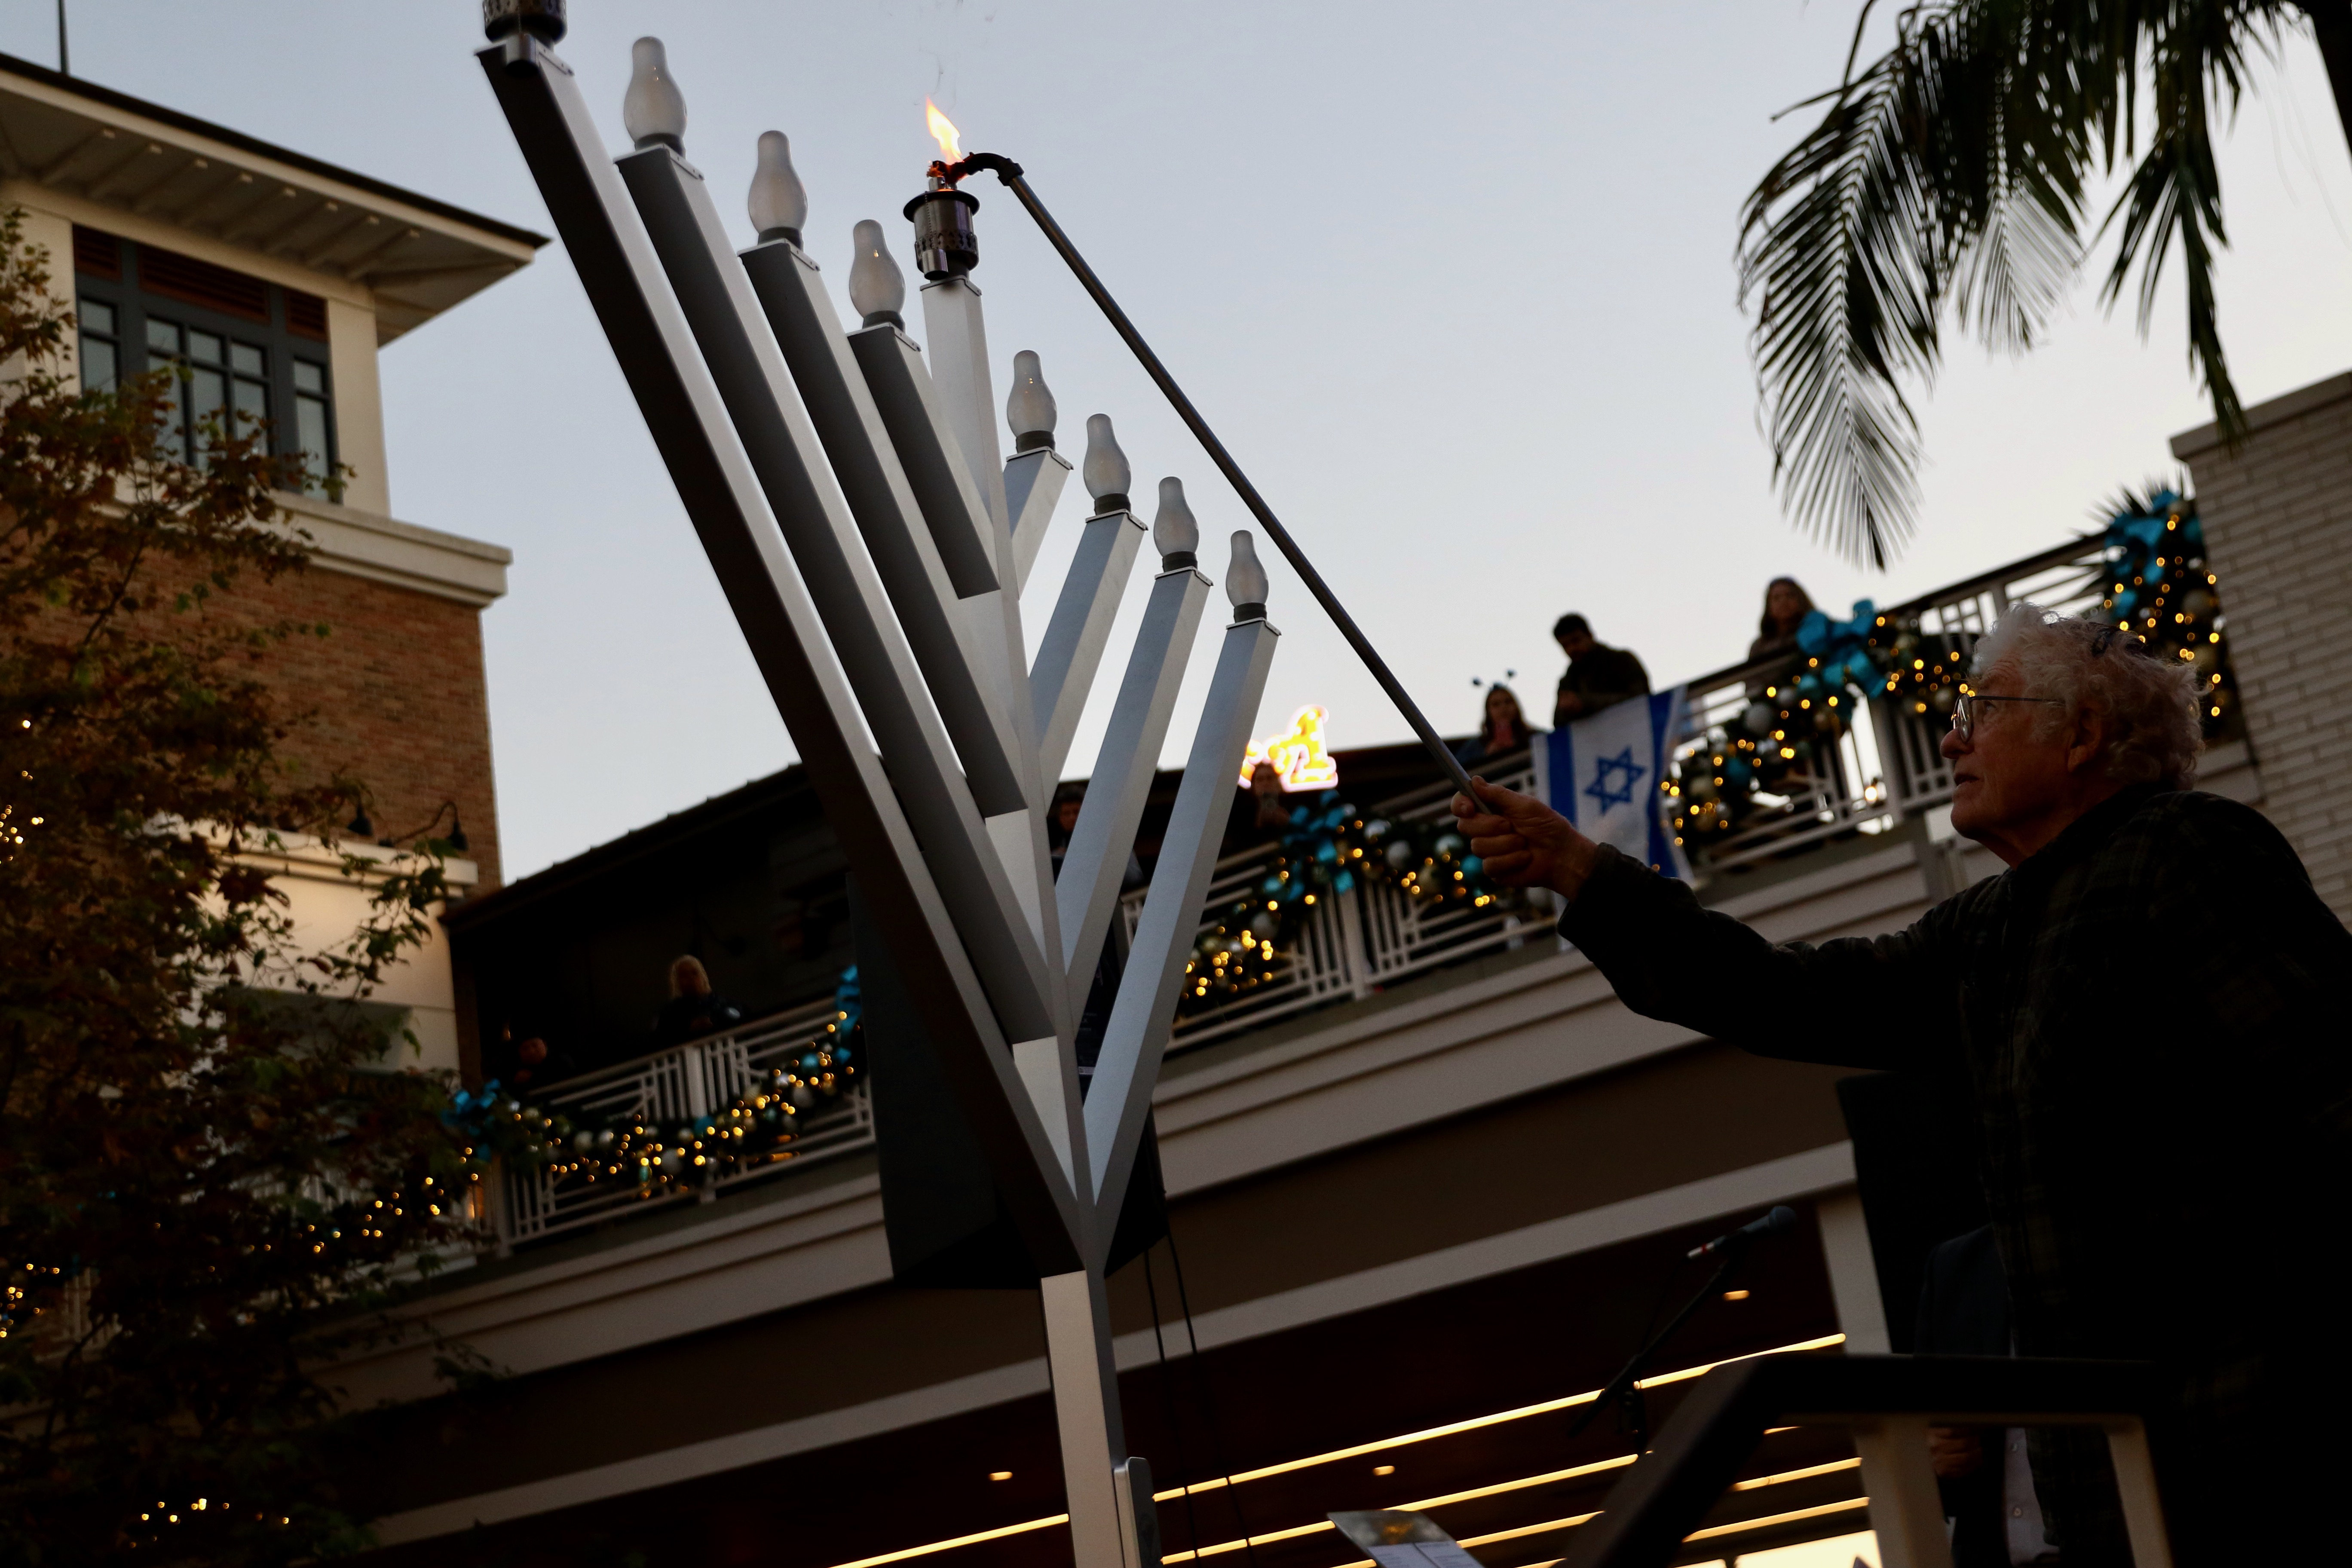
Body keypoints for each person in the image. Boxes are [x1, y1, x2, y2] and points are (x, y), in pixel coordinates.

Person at [1451, 603, 2352, 1566]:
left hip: (2258, 1483)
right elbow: (1778, 994)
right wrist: (1584, 873)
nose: (1952, 732)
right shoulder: (1985, 929)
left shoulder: (2187, 851)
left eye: (1986, 708)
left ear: (2084, 735)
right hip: (2116, 1512)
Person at [1552, 613, 1650, 727]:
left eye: (1576, 641)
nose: (1572, 649)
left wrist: (1586, 704)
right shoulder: (1568, 682)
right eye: (1565, 646)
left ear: (1590, 636)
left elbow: (1641, 698)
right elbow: (1558, 723)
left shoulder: (1622, 661)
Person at [1746, 577, 1817, 695]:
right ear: (1769, 606)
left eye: (1790, 596)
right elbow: (1751, 682)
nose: (1784, 602)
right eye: (1777, 598)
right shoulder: (1759, 646)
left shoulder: (1814, 634)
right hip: (1771, 705)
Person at [653, 954, 743, 1046]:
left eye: (695, 973)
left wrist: (715, 1021)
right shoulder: (670, 1013)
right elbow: (660, 1040)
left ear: (703, 976)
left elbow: (740, 1022)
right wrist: (688, 1030)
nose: (691, 978)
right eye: (684, 975)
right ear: (676, 982)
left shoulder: (724, 1004)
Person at [1456, 683, 1538, 769]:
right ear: (1488, 711)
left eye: (1508, 702)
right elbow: (1457, 769)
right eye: (1496, 704)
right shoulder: (1476, 746)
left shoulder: (1534, 737)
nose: (1503, 708)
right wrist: (1486, 756)